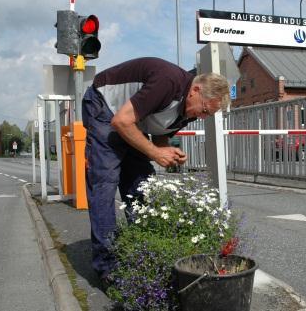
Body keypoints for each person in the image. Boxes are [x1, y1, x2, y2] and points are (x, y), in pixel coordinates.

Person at [81, 57, 230, 280]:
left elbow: (160, 132)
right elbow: (121, 121)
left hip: (131, 121)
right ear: (196, 90)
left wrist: (166, 151)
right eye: (205, 110)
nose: (202, 117)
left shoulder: (189, 110)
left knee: (141, 186)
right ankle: (107, 266)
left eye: (208, 115)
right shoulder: (168, 82)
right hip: (105, 106)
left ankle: (140, 253)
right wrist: (154, 153)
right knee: (104, 183)